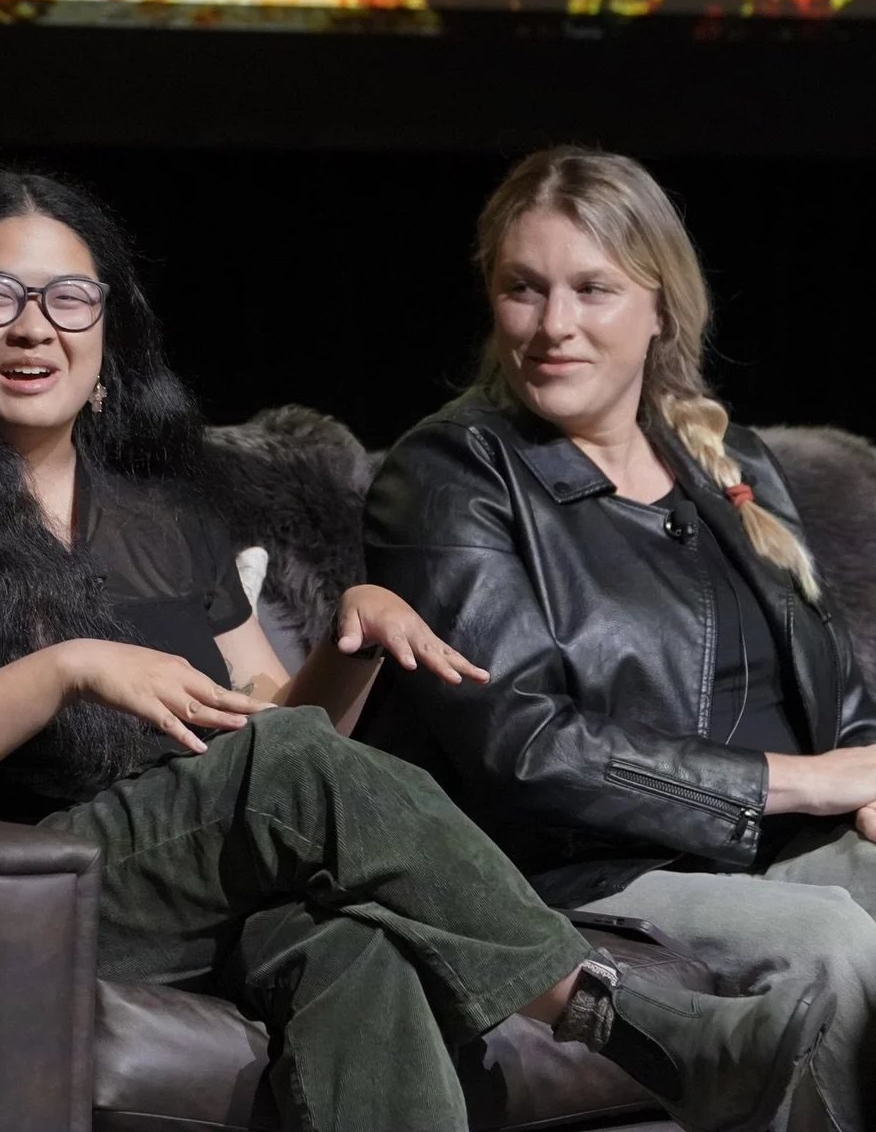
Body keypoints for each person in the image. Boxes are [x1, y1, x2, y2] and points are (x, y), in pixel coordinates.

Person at [0, 166, 832, 1132]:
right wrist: (63, 667)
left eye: (70, 297)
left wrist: (357, 637)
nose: (37, 328)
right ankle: (628, 1020)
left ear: (108, 329)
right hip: (22, 885)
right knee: (286, 775)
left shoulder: (166, 516)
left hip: (210, 874)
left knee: (365, 951)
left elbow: (279, 723)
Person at [358, 146, 876, 1132]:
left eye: (592, 290)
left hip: (771, 845)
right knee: (838, 949)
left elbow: (843, 704)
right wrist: (805, 784)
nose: (555, 325)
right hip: (578, 866)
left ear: (659, 308)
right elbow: (526, 748)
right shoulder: (449, 472)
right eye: (524, 289)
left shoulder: (737, 462)